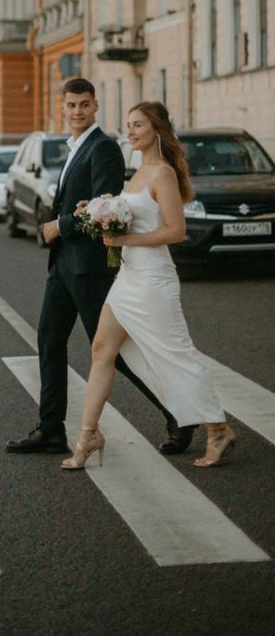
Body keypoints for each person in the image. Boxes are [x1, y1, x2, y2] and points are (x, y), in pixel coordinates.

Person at [6, 78, 187, 456]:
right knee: (49, 341)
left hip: (89, 267)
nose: (77, 112)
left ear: (95, 107)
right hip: (63, 267)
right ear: (63, 106)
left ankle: (178, 415)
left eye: (84, 105)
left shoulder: (102, 148)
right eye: (71, 105)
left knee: (111, 353)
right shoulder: (74, 147)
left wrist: (61, 225)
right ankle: (50, 429)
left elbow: (104, 205)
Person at [61, 102, 235, 471]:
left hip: (154, 280)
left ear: (156, 129)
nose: (131, 131)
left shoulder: (162, 174)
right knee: (101, 350)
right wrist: (96, 212)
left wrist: (123, 242)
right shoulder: (137, 174)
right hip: (128, 278)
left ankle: (218, 429)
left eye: (138, 125)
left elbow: (176, 231)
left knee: (178, 355)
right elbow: (132, 219)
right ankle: (88, 436)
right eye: (128, 125)